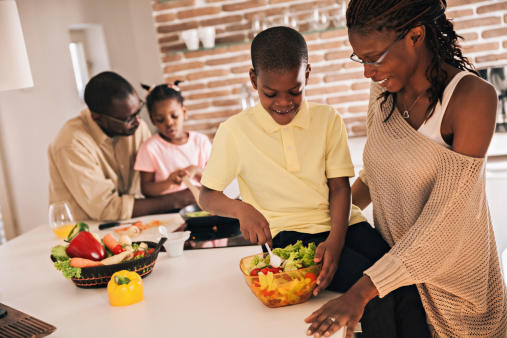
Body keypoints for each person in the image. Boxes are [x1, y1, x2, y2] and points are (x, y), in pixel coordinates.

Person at [199, 26, 430, 336]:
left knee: (402, 281)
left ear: (306, 75)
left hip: (346, 225)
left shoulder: (327, 120)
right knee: (373, 296)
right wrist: (242, 210)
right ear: (254, 80)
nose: (284, 102)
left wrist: (335, 241)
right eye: (271, 94)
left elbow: (339, 187)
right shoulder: (234, 132)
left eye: (294, 91)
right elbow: (207, 196)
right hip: (291, 237)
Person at [305, 0, 507, 337]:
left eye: (373, 58)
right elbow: (378, 174)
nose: (366, 72)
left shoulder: (472, 98)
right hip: (399, 290)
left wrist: (360, 292)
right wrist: (331, 229)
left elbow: (446, 218)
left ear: (415, 36)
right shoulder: (384, 91)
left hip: (457, 301)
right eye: (361, 59)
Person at [48, 71, 194, 221]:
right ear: (97, 117)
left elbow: (152, 179)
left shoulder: (136, 127)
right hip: (82, 232)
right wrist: (180, 199)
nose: (138, 121)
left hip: (129, 225)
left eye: (138, 112)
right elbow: (107, 209)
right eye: (128, 118)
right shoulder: (71, 144)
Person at [134, 82, 211, 197]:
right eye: (160, 119)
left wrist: (196, 170)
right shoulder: (149, 148)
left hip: (202, 203)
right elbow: (146, 189)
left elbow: (217, 180)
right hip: (169, 206)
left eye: (174, 116)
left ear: (184, 112)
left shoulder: (200, 141)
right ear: (153, 120)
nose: (169, 123)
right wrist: (169, 182)